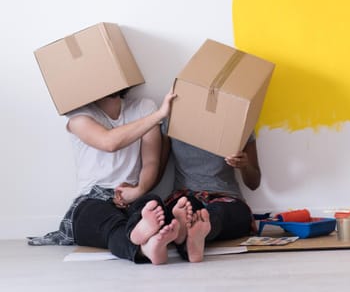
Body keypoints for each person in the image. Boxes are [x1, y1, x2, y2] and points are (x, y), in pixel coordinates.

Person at [28, 88, 210, 265]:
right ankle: (144, 247)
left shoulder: (144, 107)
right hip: (92, 199)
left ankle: (166, 241)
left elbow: (151, 162)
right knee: (107, 222)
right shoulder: (78, 117)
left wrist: (139, 190)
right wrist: (160, 115)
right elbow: (109, 142)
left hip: (130, 198)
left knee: (152, 203)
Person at [164, 132, 261, 260]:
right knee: (186, 206)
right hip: (186, 194)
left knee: (218, 212)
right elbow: (156, 168)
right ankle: (192, 234)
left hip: (227, 198)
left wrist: (244, 166)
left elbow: (254, 182)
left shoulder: (239, 121)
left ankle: (194, 232)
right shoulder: (172, 119)